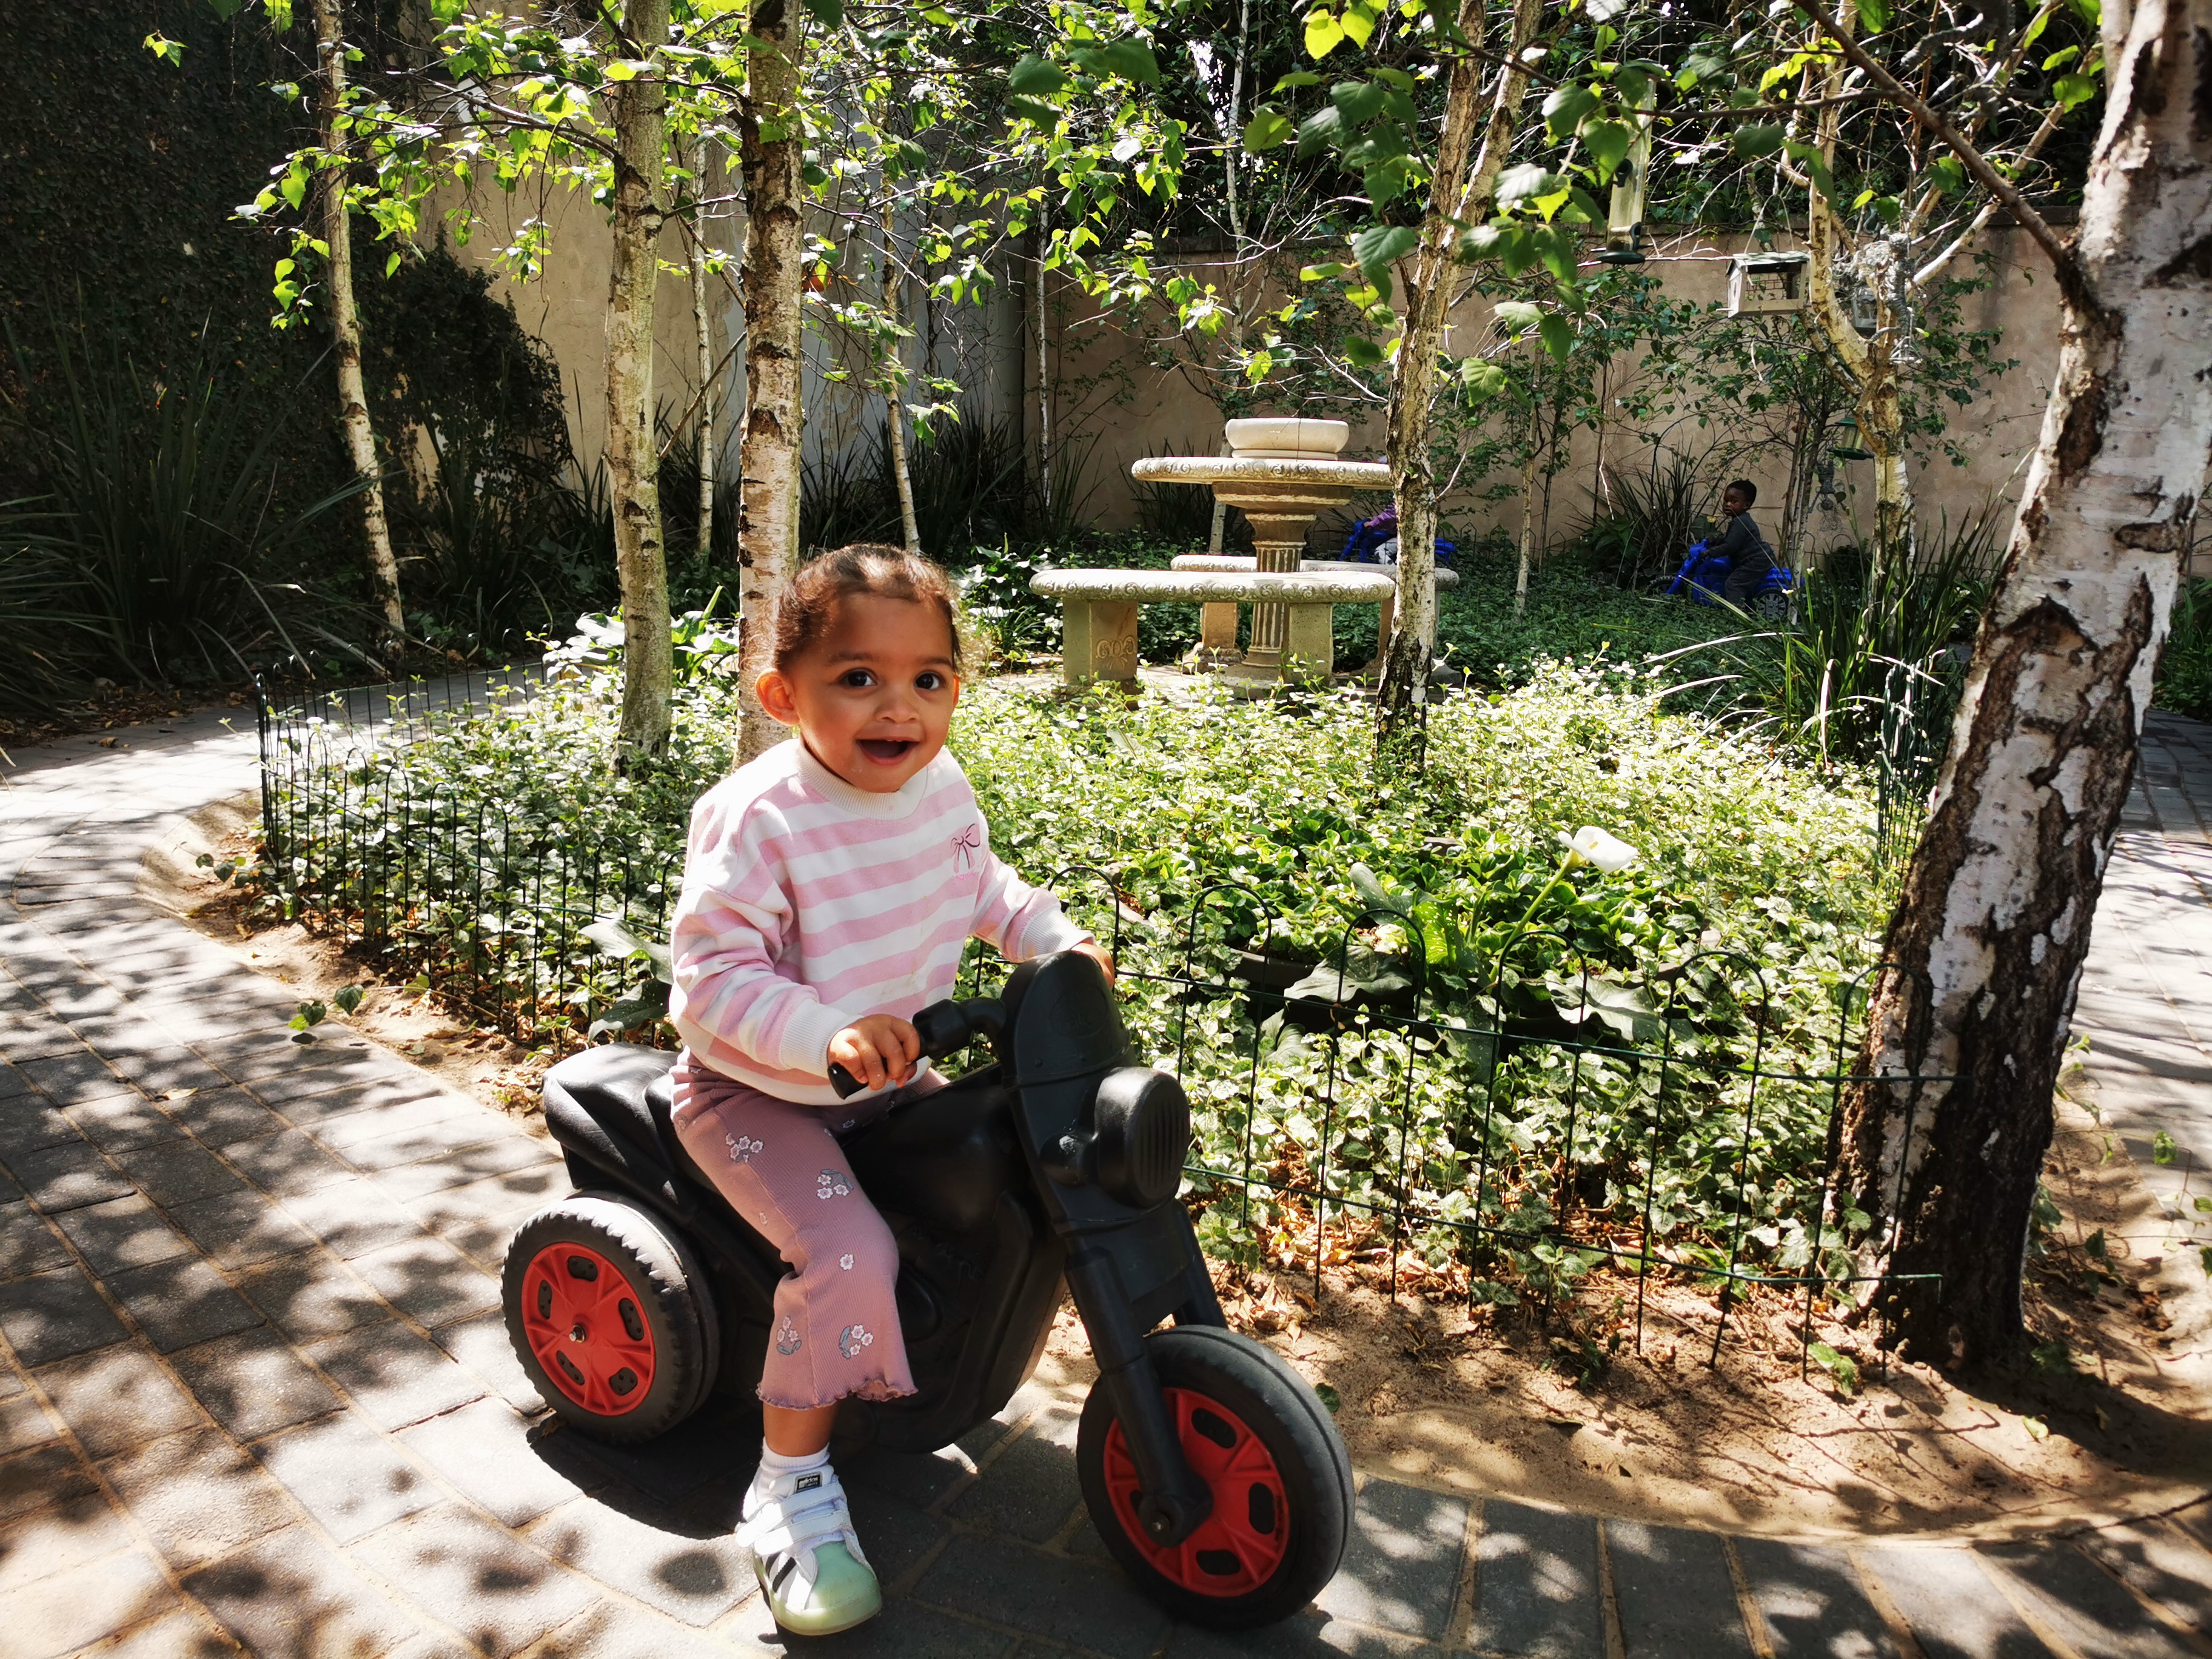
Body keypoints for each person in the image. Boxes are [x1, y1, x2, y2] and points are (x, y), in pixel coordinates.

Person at [665, 545, 1112, 1635]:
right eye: (857, 677)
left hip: (889, 1080)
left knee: (1011, 1168)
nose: (898, 707)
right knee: (848, 1252)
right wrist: (827, 1031)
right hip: (755, 1095)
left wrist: (1049, 941)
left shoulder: (937, 787)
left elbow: (980, 884)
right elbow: (710, 980)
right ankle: (790, 1485)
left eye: (929, 679)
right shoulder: (759, 816)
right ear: (783, 695)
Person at [1712, 478, 1778, 606]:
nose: (1728, 505)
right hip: (1754, 559)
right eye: (1726, 501)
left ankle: (1737, 614)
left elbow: (1730, 547)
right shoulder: (1739, 520)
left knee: (1734, 584)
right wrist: (1716, 540)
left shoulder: (1741, 522)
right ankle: (1747, 605)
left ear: (1746, 505)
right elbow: (1732, 539)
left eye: (1734, 501)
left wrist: (1709, 553)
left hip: (1756, 562)